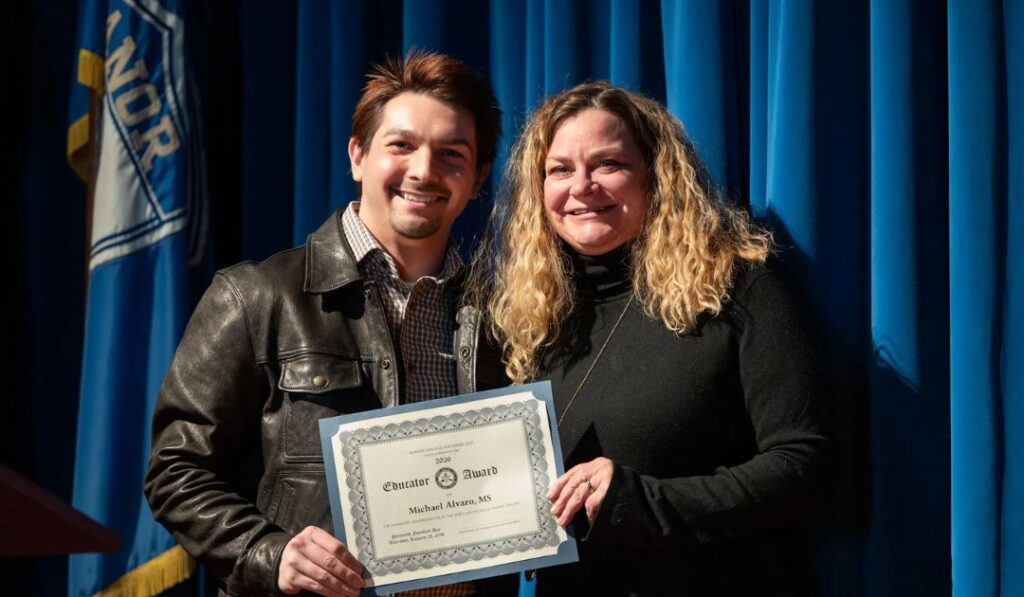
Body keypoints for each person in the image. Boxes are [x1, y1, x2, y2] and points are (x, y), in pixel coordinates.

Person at [145, 51, 512, 597]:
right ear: (358, 155)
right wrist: (269, 554)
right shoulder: (256, 296)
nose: (423, 170)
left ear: (478, 177)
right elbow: (176, 469)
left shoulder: (507, 316)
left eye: (451, 154)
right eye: (401, 145)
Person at [465, 82, 830, 595]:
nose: (582, 186)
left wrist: (641, 503)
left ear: (656, 175)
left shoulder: (738, 289)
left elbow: (804, 466)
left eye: (608, 164)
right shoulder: (528, 317)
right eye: (560, 169)